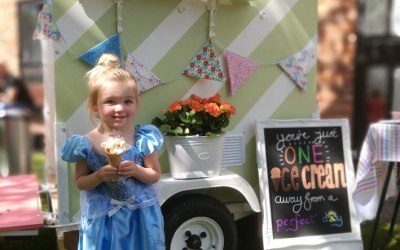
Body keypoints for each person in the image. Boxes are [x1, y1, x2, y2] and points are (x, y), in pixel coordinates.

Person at [60, 53, 165, 250]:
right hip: (104, 220)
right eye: (110, 101)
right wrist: (99, 176)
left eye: (128, 101)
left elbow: (155, 175)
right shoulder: (86, 143)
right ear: (95, 106)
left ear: (136, 102)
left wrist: (136, 170)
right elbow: (81, 182)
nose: (120, 108)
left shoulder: (142, 137)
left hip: (139, 216)